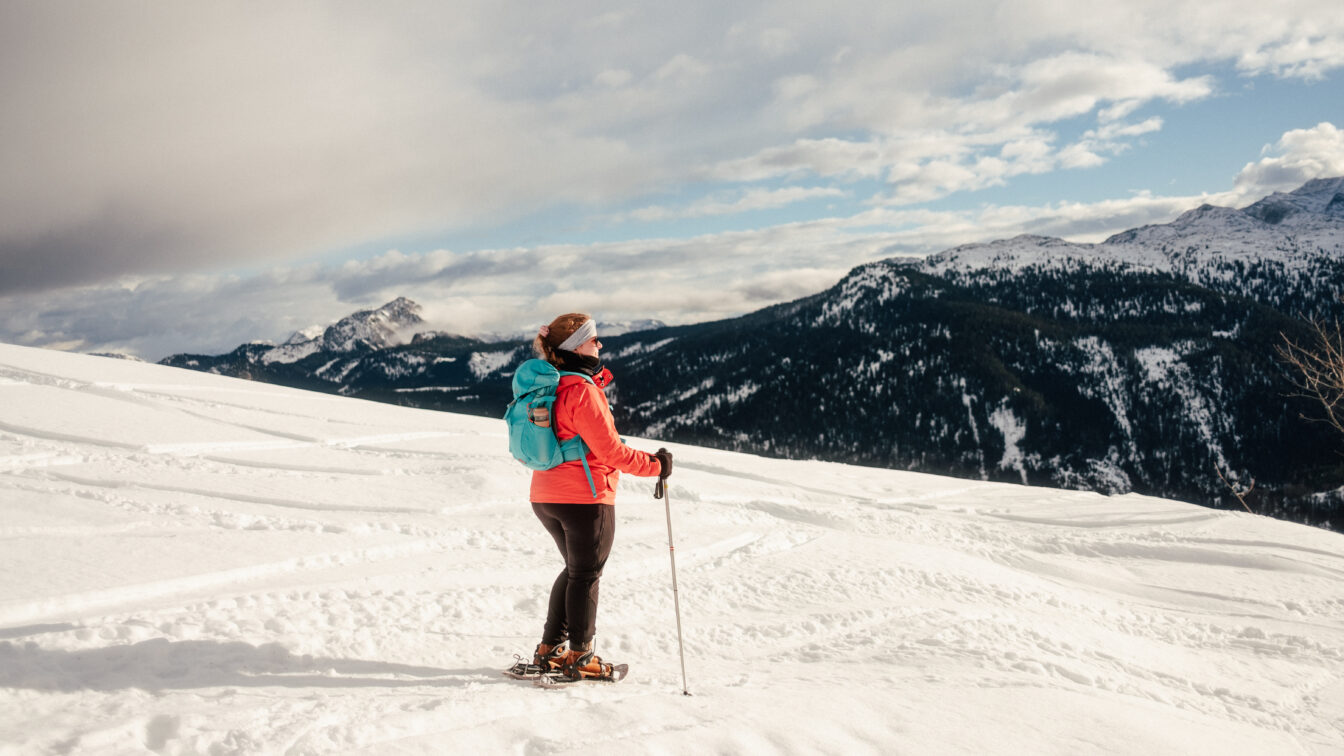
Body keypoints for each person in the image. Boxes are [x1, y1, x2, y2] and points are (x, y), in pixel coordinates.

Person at [527, 312, 672, 679]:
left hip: (545, 496)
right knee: (586, 574)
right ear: (578, 347)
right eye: (594, 340)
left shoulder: (550, 385)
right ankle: (580, 655)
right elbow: (612, 454)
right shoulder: (581, 391)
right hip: (585, 498)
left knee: (576, 571)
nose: (600, 345)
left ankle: (550, 649)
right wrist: (656, 465)